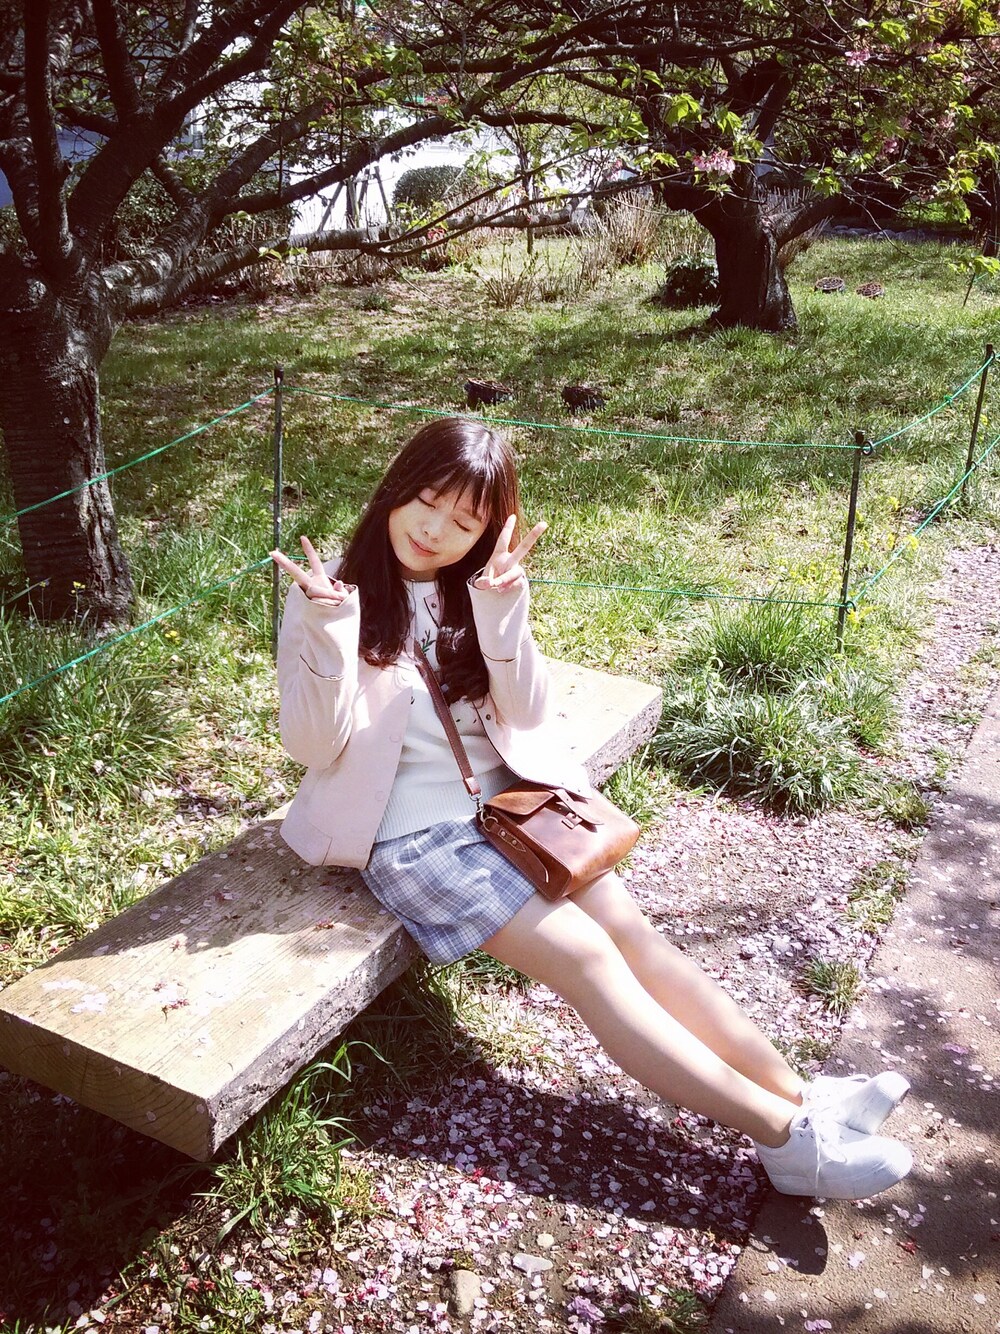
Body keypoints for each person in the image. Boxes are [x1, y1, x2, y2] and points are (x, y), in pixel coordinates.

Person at [271, 416, 912, 1201]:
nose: (435, 530)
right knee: (588, 961)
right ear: (397, 489)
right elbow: (311, 745)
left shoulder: (479, 585)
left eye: (463, 522)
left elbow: (526, 711)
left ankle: (800, 1096)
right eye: (427, 502)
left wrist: (501, 610)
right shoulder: (329, 592)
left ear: (486, 532)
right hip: (412, 835)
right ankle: (787, 1141)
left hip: (513, 805)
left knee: (634, 935)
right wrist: (330, 632)